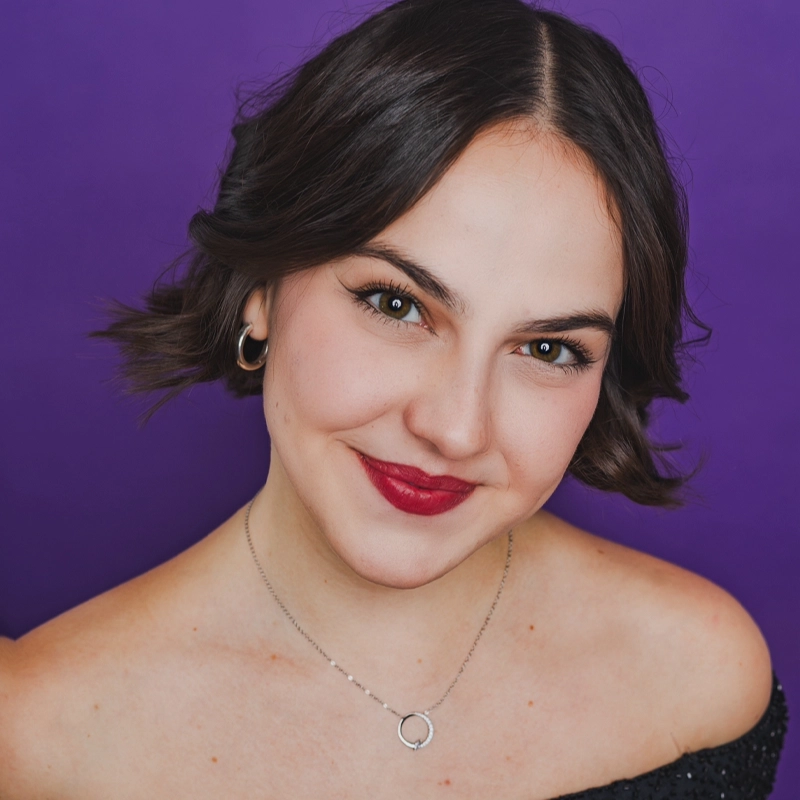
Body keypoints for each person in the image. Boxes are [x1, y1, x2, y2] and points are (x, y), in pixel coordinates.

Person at [0, 0, 788, 796]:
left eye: (548, 349)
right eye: (398, 304)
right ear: (261, 292)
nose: (454, 427)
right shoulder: (42, 735)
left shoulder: (696, 675)